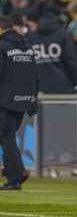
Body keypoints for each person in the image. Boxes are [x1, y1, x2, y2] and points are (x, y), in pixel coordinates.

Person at [0, 15, 38, 190]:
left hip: (5, 100)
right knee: (8, 138)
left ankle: (14, 179)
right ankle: (19, 171)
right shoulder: (27, 47)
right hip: (23, 100)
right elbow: (34, 75)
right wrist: (32, 101)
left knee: (6, 139)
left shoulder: (2, 46)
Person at [26, 5, 77, 93]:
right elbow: (71, 62)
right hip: (63, 88)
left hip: (39, 89)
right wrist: (76, 82)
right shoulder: (63, 35)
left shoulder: (30, 37)